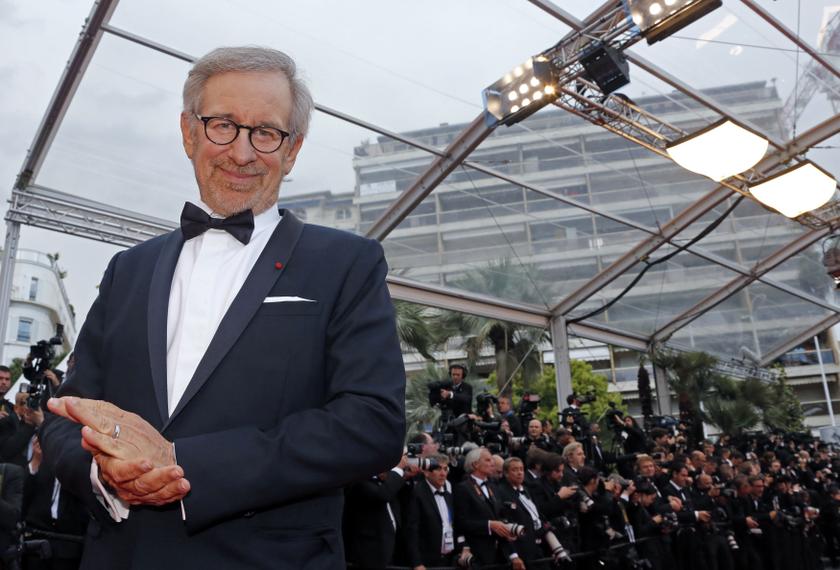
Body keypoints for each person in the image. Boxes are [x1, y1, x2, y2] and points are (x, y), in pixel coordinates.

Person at [40, 46, 405, 569]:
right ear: (189, 132)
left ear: (293, 149)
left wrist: (183, 465)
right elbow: (64, 415)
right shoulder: (128, 270)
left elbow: (372, 423)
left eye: (266, 132)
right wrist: (104, 471)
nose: (242, 152)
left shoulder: (347, 262)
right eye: (223, 126)